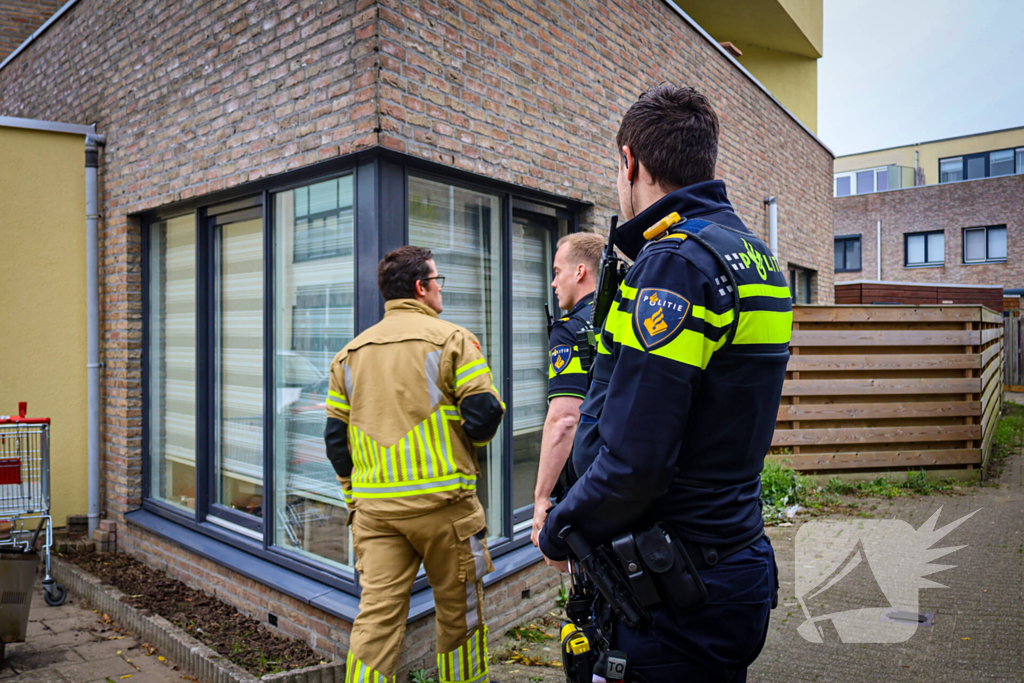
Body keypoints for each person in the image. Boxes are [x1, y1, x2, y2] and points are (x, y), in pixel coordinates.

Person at [538, 85, 792, 682]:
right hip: (732, 563)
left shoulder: (676, 263)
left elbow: (636, 459)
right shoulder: (755, 259)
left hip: (675, 588)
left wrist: (561, 527)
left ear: (630, 162)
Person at [324, 246, 505, 683]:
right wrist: (465, 439)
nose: (441, 290)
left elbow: (335, 442)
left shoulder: (348, 355)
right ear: (422, 288)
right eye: (438, 281)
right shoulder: (453, 339)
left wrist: (356, 498)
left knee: (376, 619)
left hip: (376, 514)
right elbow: (484, 415)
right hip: (444, 511)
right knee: (458, 615)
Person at [531, 232, 605, 548]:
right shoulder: (628, 318)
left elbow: (564, 420)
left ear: (579, 272)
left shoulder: (571, 329)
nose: (553, 283)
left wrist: (540, 498)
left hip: (587, 481)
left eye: (557, 272)